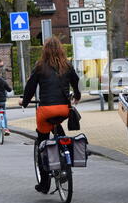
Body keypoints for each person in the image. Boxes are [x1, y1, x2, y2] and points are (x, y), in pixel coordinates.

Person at [19, 36, 81, 194]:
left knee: (42, 143)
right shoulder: (67, 65)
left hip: (46, 110)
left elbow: (30, 87)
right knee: (60, 132)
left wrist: (24, 102)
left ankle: (44, 183)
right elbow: (76, 81)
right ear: (61, 49)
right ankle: (65, 159)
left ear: (44, 50)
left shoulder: (40, 66)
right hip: (63, 110)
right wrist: (77, 96)